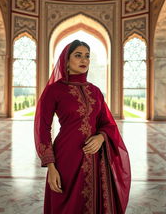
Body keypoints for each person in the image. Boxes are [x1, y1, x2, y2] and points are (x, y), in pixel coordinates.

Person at [34, 40, 131, 214]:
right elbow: (43, 128)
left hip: (95, 157)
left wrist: (101, 137)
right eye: (78, 55)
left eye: (87, 56)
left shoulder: (95, 91)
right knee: (66, 204)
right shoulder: (54, 90)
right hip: (66, 157)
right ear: (66, 60)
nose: (84, 60)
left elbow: (107, 123)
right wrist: (51, 166)